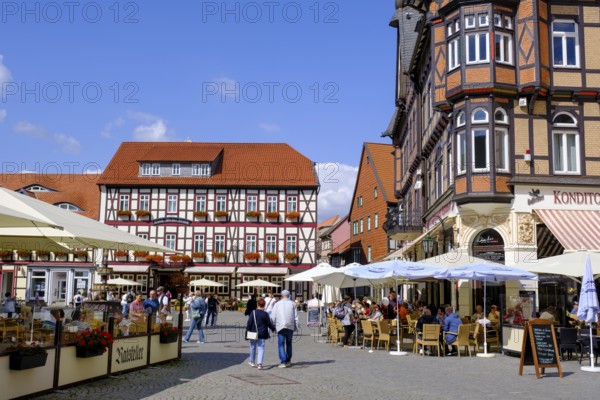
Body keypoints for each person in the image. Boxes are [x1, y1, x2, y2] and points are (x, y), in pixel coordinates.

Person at [270, 289, 298, 368]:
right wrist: (296, 326)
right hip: (290, 326)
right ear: (289, 295)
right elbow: (296, 316)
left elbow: (273, 316)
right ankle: (288, 360)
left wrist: (272, 326)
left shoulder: (277, 304)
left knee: (281, 344)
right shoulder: (293, 304)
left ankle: (283, 361)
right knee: (289, 343)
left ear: (282, 296)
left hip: (280, 326)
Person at [246, 298, 276, 370]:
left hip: (253, 332)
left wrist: (247, 331)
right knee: (261, 348)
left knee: (252, 347)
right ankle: (259, 364)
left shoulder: (253, 312)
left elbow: (249, 323)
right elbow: (269, 323)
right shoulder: (265, 314)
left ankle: (252, 361)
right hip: (262, 333)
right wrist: (273, 329)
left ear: (257, 304)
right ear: (264, 305)